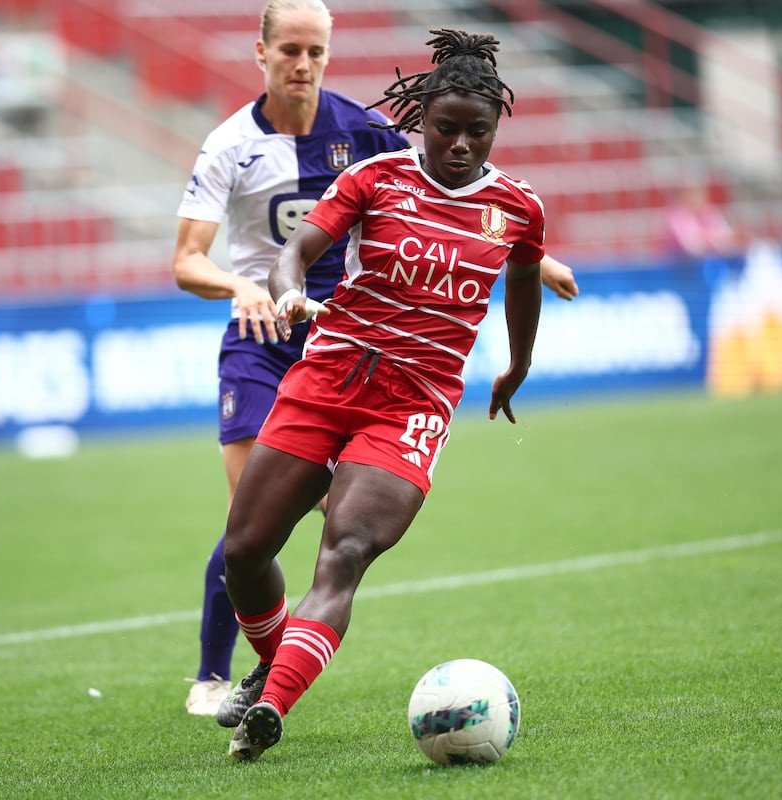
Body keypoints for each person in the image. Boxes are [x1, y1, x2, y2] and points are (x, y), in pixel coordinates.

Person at [173, 5, 578, 717]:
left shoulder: (488, 192)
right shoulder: (242, 147)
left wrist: (521, 347)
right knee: (246, 540)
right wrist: (271, 288)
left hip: (410, 396)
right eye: (290, 49)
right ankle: (242, 668)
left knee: (344, 547)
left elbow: (515, 259)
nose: (457, 144)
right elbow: (249, 256)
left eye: (316, 50)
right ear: (262, 52)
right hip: (294, 347)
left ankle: (268, 695)